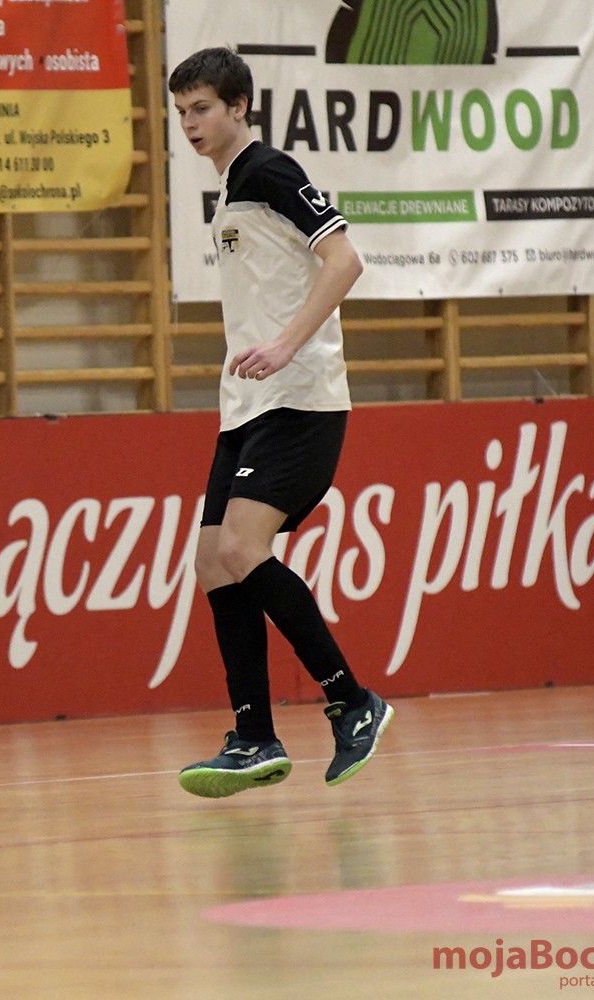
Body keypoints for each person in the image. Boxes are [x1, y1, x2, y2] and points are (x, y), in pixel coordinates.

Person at [167, 48, 393, 797]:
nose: (190, 123)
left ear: (239, 107)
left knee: (240, 546)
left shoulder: (268, 171)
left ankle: (351, 700)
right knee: (212, 561)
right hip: (247, 408)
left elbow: (344, 260)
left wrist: (288, 344)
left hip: (300, 401)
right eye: (181, 112)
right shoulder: (233, 188)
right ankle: (254, 737)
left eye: (202, 108)